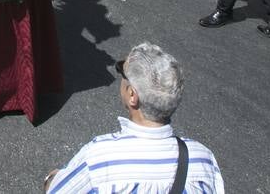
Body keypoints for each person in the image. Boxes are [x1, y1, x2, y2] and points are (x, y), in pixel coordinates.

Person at [43, 43, 224, 193]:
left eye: (122, 71)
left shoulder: (99, 158)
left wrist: (51, 179)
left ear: (132, 95)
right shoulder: (203, 158)